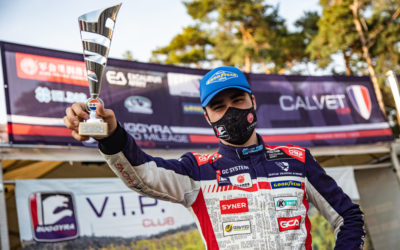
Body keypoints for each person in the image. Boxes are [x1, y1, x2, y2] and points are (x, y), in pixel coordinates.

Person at [64, 66, 365, 249]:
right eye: (218, 106)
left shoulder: (297, 161)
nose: (230, 110)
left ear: (252, 102)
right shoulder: (197, 171)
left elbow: (349, 216)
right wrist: (111, 134)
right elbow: (143, 175)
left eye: (237, 100)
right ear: (207, 116)